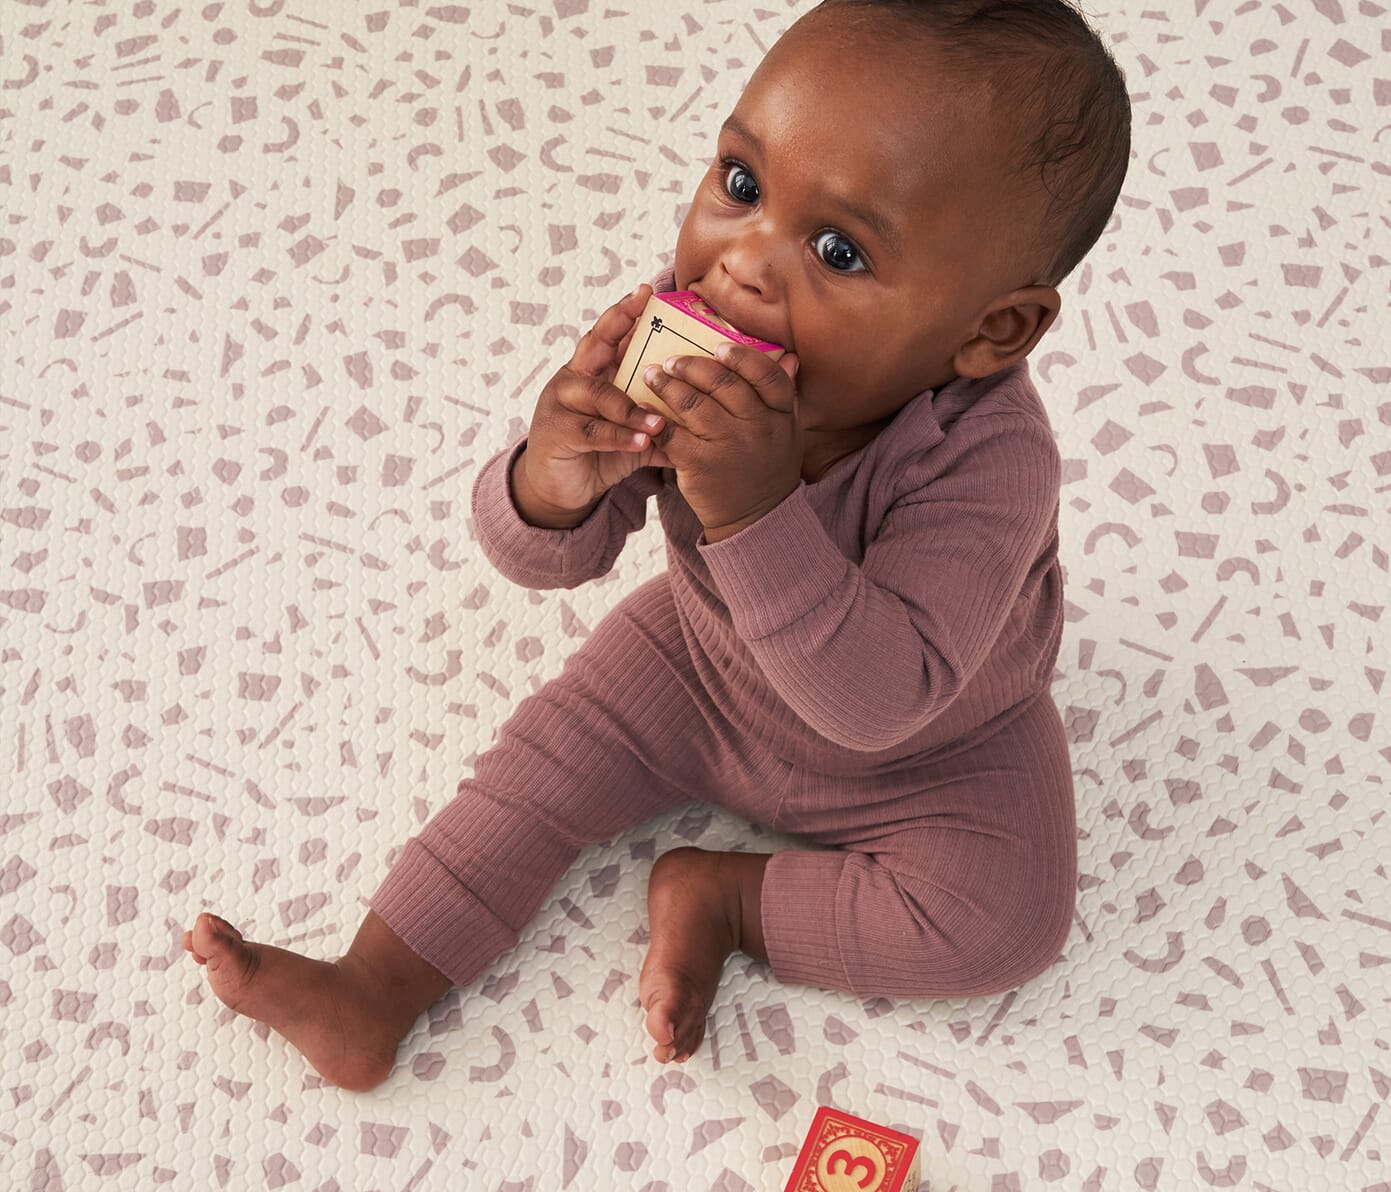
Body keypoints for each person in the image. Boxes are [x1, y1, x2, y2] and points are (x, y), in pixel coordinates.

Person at [182, 0, 1132, 1091]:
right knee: (534, 772)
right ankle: (371, 986)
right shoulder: (677, 332)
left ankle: (724, 898)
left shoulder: (991, 461)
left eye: (838, 250)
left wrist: (752, 507)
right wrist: (553, 475)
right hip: (700, 663)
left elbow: (881, 699)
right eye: (741, 185)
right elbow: (543, 560)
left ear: (989, 330)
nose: (743, 266)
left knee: (1009, 921)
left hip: (935, 751)